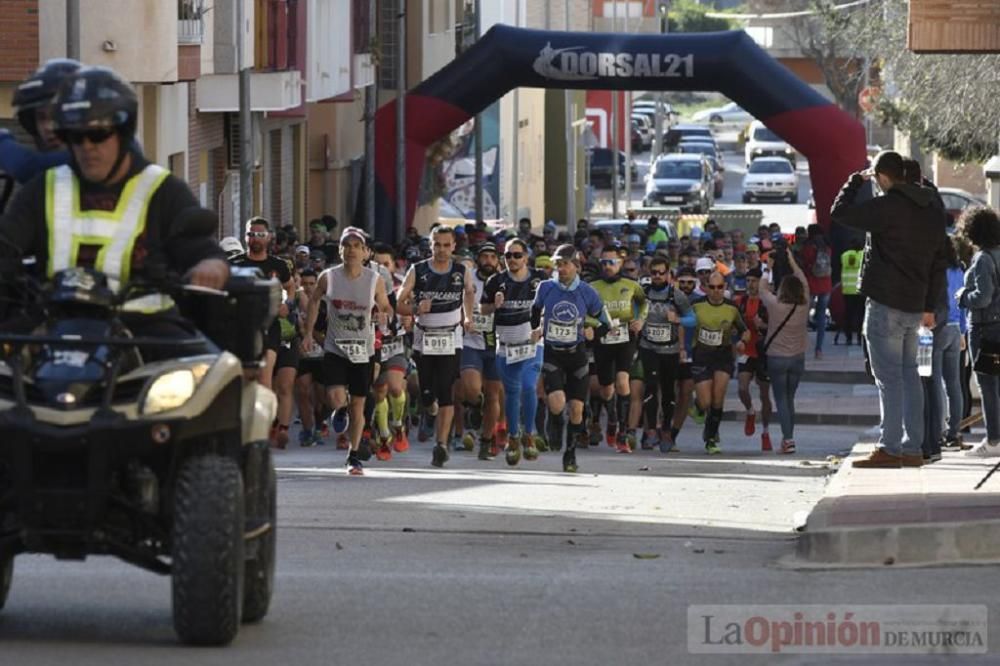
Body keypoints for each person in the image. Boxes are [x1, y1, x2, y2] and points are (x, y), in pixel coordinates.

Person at [0, 66, 228, 356]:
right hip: (50, 325)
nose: (86, 147)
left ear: (122, 132)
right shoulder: (44, 187)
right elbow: (6, 242)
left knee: (214, 375)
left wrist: (210, 265)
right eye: (75, 136)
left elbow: (199, 247)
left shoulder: (162, 189)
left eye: (98, 134)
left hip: (145, 329)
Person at [831, 150, 948, 468]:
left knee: (890, 379)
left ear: (882, 177)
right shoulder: (932, 209)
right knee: (912, 375)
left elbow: (840, 213)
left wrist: (853, 182)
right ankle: (913, 448)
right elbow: (940, 262)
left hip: (885, 304)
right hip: (916, 306)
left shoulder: (887, 206)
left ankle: (890, 447)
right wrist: (929, 305)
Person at [301, 227, 393, 475]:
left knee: (359, 406)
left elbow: (385, 306)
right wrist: (309, 333)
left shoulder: (375, 280)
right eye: (346, 245)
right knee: (336, 398)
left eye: (356, 246)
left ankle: (353, 456)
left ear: (365, 252)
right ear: (340, 250)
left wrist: (385, 316)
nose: (351, 250)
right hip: (335, 347)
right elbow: (313, 302)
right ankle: (339, 410)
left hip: (363, 350)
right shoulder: (328, 277)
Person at [397, 225, 476, 468]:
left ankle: (441, 445)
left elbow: (469, 293)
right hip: (424, 338)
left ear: (454, 246)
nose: (441, 250)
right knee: (427, 391)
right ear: (430, 246)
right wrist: (414, 309)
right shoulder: (417, 270)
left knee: (446, 390)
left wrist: (468, 317)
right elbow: (399, 303)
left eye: (446, 245)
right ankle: (428, 411)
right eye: (436, 245)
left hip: (451, 337)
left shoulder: (461, 271)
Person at [532, 244, 610, 473]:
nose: (561, 268)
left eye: (565, 264)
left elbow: (606, 323)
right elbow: (534, 312)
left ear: (576, 265)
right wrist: (536, 328)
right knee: (556, 403)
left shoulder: (587, 292)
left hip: (577, 355)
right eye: (558, 264)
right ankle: (555, 421)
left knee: (576, 409)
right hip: (553, 353)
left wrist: (594, 332)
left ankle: (570, 453)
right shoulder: (546, 288)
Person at [481, 239, 546, 463]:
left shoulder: (540, 279)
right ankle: (513, 436)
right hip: (506, 344)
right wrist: (494, 304)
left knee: (529, 387)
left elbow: (552, 306)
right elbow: (483, 308)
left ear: (526, 257)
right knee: (511, 393)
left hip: (531, 342)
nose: (512, 260)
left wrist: (541, 328)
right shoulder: (495, 281)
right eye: (508, 255)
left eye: (517, 255)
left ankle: (529, 434)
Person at [588, 244, 648, 452]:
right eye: (603, 262)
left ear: (620, 263)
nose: (607, 266)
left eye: (611, 262)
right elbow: (584, 311)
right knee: (606, 389)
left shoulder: (631, 285)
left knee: (623, 381)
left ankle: (623, 433)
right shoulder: (592, 286)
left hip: (625, 338)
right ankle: (612, 418)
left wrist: (640, 319)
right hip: (603, 340)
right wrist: (593, 325)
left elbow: (644, 303)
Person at [231, 217, 296, 397]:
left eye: (260, 234)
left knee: (264, 378)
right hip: (241, 328)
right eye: (251, 234)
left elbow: (290, 287)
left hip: (269, 326)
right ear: (245, 237)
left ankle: (265, 423)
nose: (256, 238)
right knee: (242, 380)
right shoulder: (234, 264)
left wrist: (287, 304)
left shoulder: (278, 265)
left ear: (268, 237)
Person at [955, 206, 1000, 458]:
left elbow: (982, 298)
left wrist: (963, 297)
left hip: (984, 328)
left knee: (987, 386)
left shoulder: (983, 258)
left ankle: (994, 440)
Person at [638, 256, 693, 453]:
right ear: (649, 273)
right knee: (651, 386)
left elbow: (692, 319)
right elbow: (633, 312)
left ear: (669, 274)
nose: (658, 276)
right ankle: (651, 430)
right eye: (654, 273)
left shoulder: (676, 296)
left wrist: (677, 319)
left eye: (662, 273)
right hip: (649, 347)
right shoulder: (643, 293)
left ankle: (667, 430)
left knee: (669, 392)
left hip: (669, 349)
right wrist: (635, 321)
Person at [690, 272, 749, 454]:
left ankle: (711, 438)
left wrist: (742, 342)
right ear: (706, 287)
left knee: (718, 397)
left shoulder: (731, 308)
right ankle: (698, 406)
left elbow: (745, 330)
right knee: (706, 401)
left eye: (720, 287)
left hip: (723, 355)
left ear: (725, 288)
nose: (716, 291)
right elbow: (683, 324)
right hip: (701, 354)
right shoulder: (696, 306)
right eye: (712, 287)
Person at [759, 250, 810, 454]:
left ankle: (787, 439)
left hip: (777, 358)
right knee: (790, 398)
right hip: (798, 358)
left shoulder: (775, 305)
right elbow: (804, 281)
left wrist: (767, 267)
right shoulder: (804, 304)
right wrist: (791, 261)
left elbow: (762, 288)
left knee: (781, 399)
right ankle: (789, 438)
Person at [1, 58, 80, 183]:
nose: (48, 127)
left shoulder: (97, 154)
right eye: (41, 118)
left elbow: (27, 168)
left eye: (58, 114)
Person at [459, 243, 504, 457]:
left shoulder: (505, 281)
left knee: (494, 394)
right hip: (471, 341)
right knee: (472, 388)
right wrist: (464, 318)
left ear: (498, 261)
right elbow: (458, 303)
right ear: (478, 260)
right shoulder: (469, 279)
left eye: (492, 257)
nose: (488, 261)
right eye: (484, 256)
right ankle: (475, 407)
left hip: (497, 344)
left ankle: (486, 440)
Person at [735, 267, 774, 452]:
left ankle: (765, 432)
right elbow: (735, 325)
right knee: (742, 388)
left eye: (754, 281)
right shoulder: (741, 301)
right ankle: (750, 411)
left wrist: (763, 325)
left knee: (765, 394)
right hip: (747, 351)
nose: (750, 284)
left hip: (764, 352)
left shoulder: (768, 302)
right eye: (748, 280)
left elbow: (776, 327)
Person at [800, 224, 833, 359]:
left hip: (811, 285)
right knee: (821, 317)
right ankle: (818, 349)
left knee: (803, 317)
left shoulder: (808, 247)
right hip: (826, 285)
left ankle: (800, 347)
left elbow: (804, 263)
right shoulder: (827, 247)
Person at [837, 238, 865, 345]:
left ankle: (848, 338)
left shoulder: (844, 256)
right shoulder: (862, 255)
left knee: (849, 314)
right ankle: (859, 337)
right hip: (860, 290)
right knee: (860, 315)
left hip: (847, 290)